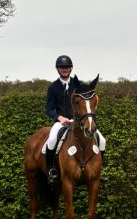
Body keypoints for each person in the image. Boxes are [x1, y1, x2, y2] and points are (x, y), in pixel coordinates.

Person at [43, 54, 106, 184]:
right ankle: (52, 171)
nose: (64, 69)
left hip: (79, 121)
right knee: (52, 140)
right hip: (61, 122)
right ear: (57, 69)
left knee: (102, 141)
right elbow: (49, 109)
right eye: (61, 67)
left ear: (71, 68)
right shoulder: (53, 87)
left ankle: (100, 172)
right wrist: (59, 118)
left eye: (67, 67)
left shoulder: (78, 86)